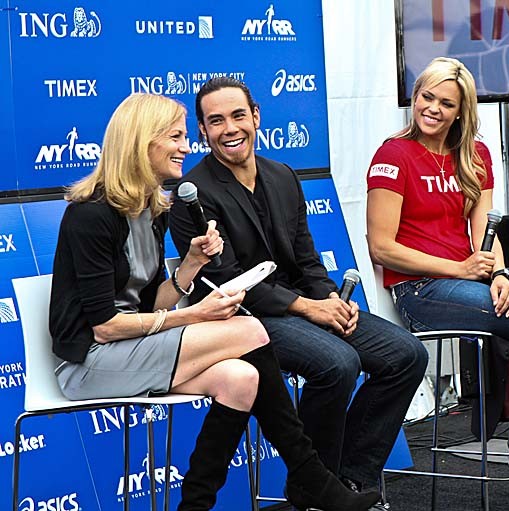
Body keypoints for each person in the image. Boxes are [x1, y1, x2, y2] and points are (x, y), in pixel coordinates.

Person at [49, 93, 380, 511]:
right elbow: (106, 325)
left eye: (186, 137)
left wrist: (190, 264)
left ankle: (196, 506)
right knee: (250, 329)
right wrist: (195, 315)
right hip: (91, 362)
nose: (186, 147)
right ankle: (312, 476)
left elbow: (151, 302)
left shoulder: (152, 209)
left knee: (239, 379)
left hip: (132, 349)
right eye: (176, 137)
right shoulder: (91, 215)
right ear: (142, 141)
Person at [168, 77, 428, 508]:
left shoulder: (282, 175)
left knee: (406, 355)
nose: (229, 128)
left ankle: (348, 479)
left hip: (301, 305)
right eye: (216, 121)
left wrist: (330, 300)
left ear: (256, 117)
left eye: (237, 115)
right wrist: (308, 307)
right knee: (337, 363)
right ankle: (314, 488)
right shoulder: (193, 195)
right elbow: (230, 284)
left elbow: (307, 259)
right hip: (244, 319)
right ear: (202, 131)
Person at [366, 56, 509, 492]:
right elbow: (381, 248)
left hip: (470, 276)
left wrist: (501, 275)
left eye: (446, 102)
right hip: (422, 289)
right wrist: (459, 267)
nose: (432, 109)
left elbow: (486, 234)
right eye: (426, 97)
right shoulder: (393, 155)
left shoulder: (474, 154)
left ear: (462, 110)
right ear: (415, 97)